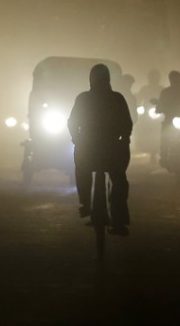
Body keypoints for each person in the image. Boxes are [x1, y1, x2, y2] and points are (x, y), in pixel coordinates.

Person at [67, 64, 133, 236]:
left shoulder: (83, 98)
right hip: (113, 150)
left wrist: (76, 138)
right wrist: (125, 139)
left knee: (82, 169)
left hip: (88, 149)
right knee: (119, 180)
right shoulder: (117, 98)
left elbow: (72, 122)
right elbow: (127, 124)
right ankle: (119, 220)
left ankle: (86, 204)